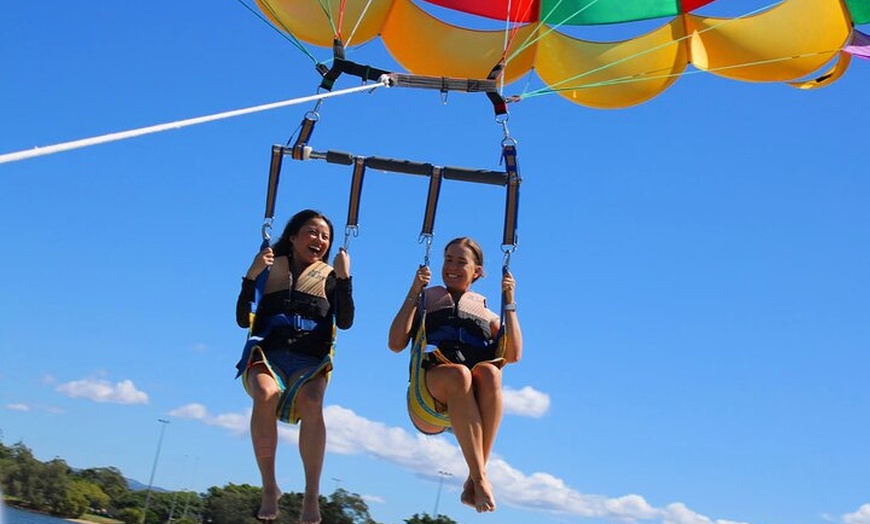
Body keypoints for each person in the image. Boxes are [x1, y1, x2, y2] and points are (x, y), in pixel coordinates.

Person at [235, 209, 354, 524]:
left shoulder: (329, 277)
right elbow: (241, 318)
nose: (319, 240)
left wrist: (344, 280)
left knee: (313, 402)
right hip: (267, 354)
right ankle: (269, 487)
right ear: (292, 236)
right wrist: (251, 275)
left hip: (309, 362)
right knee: (264, 393)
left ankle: (311, 494)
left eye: (325, 236)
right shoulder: (270, 267)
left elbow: (345, 321)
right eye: (312, 232)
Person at [388, 237, 522, 513]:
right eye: (448, 259)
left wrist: (509, 302)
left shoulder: (486, 313)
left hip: (470, 403)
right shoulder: (427, 299)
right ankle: (481, 478)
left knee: (490, 372)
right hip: (428, 397)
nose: (452, 266)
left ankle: (475, 477)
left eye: (461, 262)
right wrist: (414, 290)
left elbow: (513, 355)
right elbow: (395, 343)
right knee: (460, 374)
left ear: (478, 271)